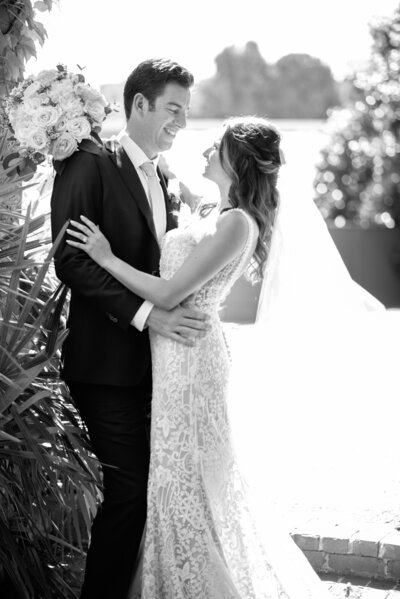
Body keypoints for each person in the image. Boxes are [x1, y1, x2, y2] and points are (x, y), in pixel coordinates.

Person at [66, 116, 336, 598]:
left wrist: (105, 256)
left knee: (184, 482)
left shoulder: (236, 224)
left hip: (191, 363)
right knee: (171, 482)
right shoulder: (218, 212)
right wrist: (160, 172)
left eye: (219, 145)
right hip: (174, 359)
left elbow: (170, 293)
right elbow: (188, 216)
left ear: (238, 162)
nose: (207, 147)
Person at [50, 58, 209, 599]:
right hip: (106, 366)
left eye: (186, 113)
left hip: (159, 368)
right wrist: (149, 316)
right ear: (138, 104)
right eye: (172, 109)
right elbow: (72, 262)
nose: (180, 123)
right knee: (129, 493)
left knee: (154, 490)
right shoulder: (88, 164)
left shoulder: (164, 176)